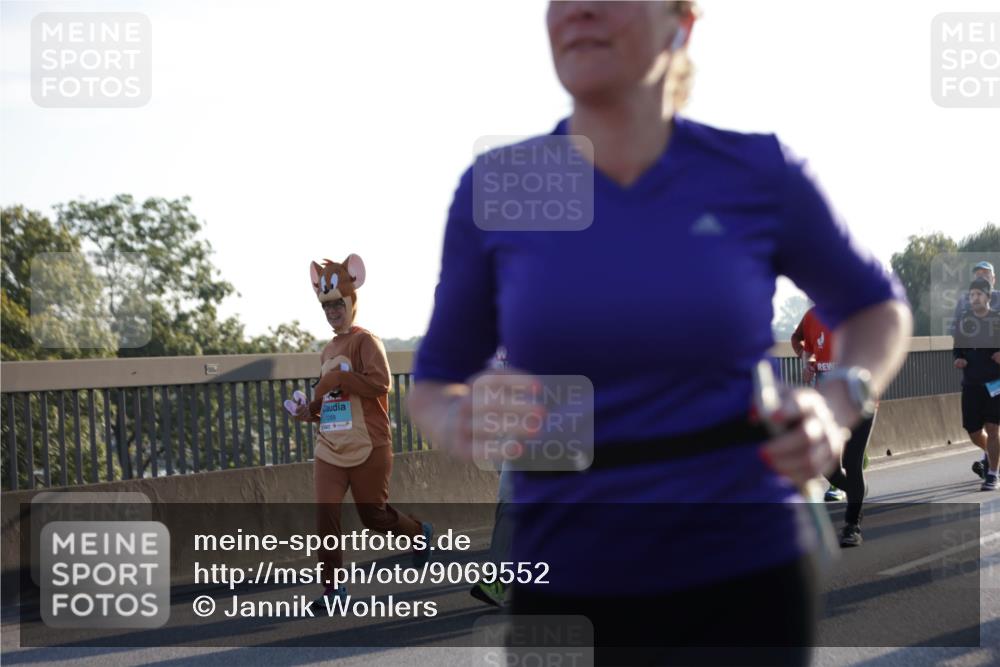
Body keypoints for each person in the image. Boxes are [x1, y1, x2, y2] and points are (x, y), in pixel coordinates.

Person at [408, 2, 911, 664]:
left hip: (743, 574)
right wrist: (460, 418)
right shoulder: (502, 186)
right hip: (566, 585)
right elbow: (435, 380)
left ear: (682, 23)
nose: (579, 9)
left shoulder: (756, 172)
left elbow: (879, 307)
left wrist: (840, 400)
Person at [293, 254, 433, 606]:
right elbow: (331, 403)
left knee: (373, 516)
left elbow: (381, 384)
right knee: (325, 512)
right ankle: (332, 588)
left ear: (351, 302)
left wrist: (339, 378)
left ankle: (418, 534)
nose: (332, 311)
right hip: (331, 446)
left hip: (368, 444)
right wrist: (308, 411)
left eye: (338, 304)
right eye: (327, 306)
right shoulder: (327, 349)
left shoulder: (366, 342)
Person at [792, 307, 878, 546]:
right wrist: (806, 358)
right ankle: (856, 491)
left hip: (860, 402)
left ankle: (852, 525)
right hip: (828, 404)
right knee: (827, 466)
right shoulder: (811, 316)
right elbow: (797, 338)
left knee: (852, 462)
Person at [950, 261, 1000, 479]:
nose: (983, 277)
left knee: (993, 427)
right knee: (974, 430)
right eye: (978, 274)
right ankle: (992, 456)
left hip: (995, 377)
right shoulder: (964, 304)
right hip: (973, 376)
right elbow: (956, 333)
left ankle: (992, 468)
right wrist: (960, 356)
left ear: (994, 278)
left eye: (986, 274)